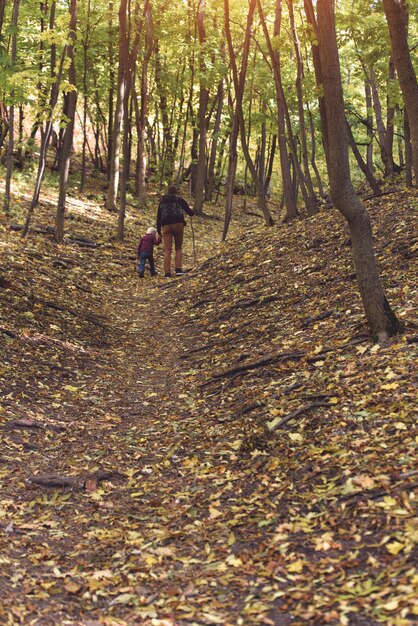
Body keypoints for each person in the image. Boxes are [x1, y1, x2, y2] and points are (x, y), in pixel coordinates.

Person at [157, 184, 194, 277]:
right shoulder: (180, 200)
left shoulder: (162, 202)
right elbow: (190, 213)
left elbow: (158, 217)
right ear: (176, 192)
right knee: (178, 247)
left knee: (167, 250)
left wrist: (158, 231)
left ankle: (167, 273)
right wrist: (191, 210)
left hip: (166, 226)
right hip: (178, 224)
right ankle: (178, 269)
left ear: (167, 191)